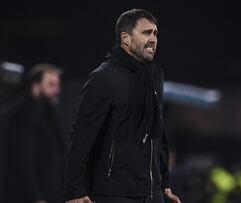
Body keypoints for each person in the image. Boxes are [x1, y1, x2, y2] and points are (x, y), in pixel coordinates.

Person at [64, 9, 181, 203]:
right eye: (146, 33)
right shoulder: (102, 78)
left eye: (155, 33)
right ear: (125, 38)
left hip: (152, 194)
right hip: (115, 193)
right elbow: (81, 137)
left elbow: (157, 132)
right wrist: (74, 190)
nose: (153, 39)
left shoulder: (156, 75)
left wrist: (164, 182)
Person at [5, 63, 65, 203]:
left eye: (57, 84)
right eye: (51, 84)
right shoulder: (23, 116)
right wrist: (36, 197)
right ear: (35, 86)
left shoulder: (50, 116)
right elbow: (23, 161)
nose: (57, 90)